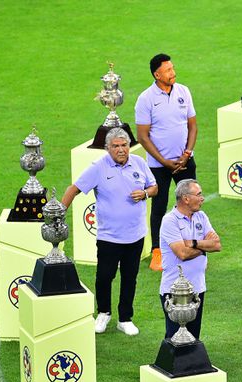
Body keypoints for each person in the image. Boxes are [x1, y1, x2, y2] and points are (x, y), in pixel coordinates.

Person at [61, 128, 157, 336]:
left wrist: (145, 194)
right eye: (116, 146)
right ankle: (103, 312)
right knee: (104, 277)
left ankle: (125, 318)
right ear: (107, 149)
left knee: (130, 278)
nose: (121, 150)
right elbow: (73, 189)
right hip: (109, 237)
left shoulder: (139, 163)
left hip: (136, 235)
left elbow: (154, 187)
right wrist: (59, 213)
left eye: (124, 145)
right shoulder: (98, 168)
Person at [135, 53, 198, 272]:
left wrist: (187, 153)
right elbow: (142, 136)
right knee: (159, 207)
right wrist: (164, 161)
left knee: (192, 204)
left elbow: (192, 125)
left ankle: (192, 246)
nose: (173, 73)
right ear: (157, 74)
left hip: (185, 162)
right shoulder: (146, 99)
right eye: (168, 70)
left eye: (173, 68)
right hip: (158, 166)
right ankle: (157, 252)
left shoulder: (183, 91)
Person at [158, 179, 220, 339]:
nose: (202, 198)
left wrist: (193, 243)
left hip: (198, 288)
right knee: (175, 338)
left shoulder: (201, 216)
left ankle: (191, 365)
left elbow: (217, 245)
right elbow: (182, 254)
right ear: (186, 198)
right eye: (198, 194)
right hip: (175, 291)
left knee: (193, 337)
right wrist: (203, 248)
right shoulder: (169, 221)